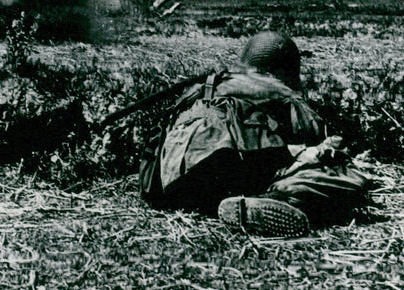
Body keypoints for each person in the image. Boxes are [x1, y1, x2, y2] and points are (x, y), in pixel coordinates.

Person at [139, 31, 375, 237]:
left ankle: (233, 204)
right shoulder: (280, 92)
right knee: (344, 178)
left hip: (170, 186)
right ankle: (269, 202)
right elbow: (314, 136)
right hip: (230, 171)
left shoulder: (202, 89)